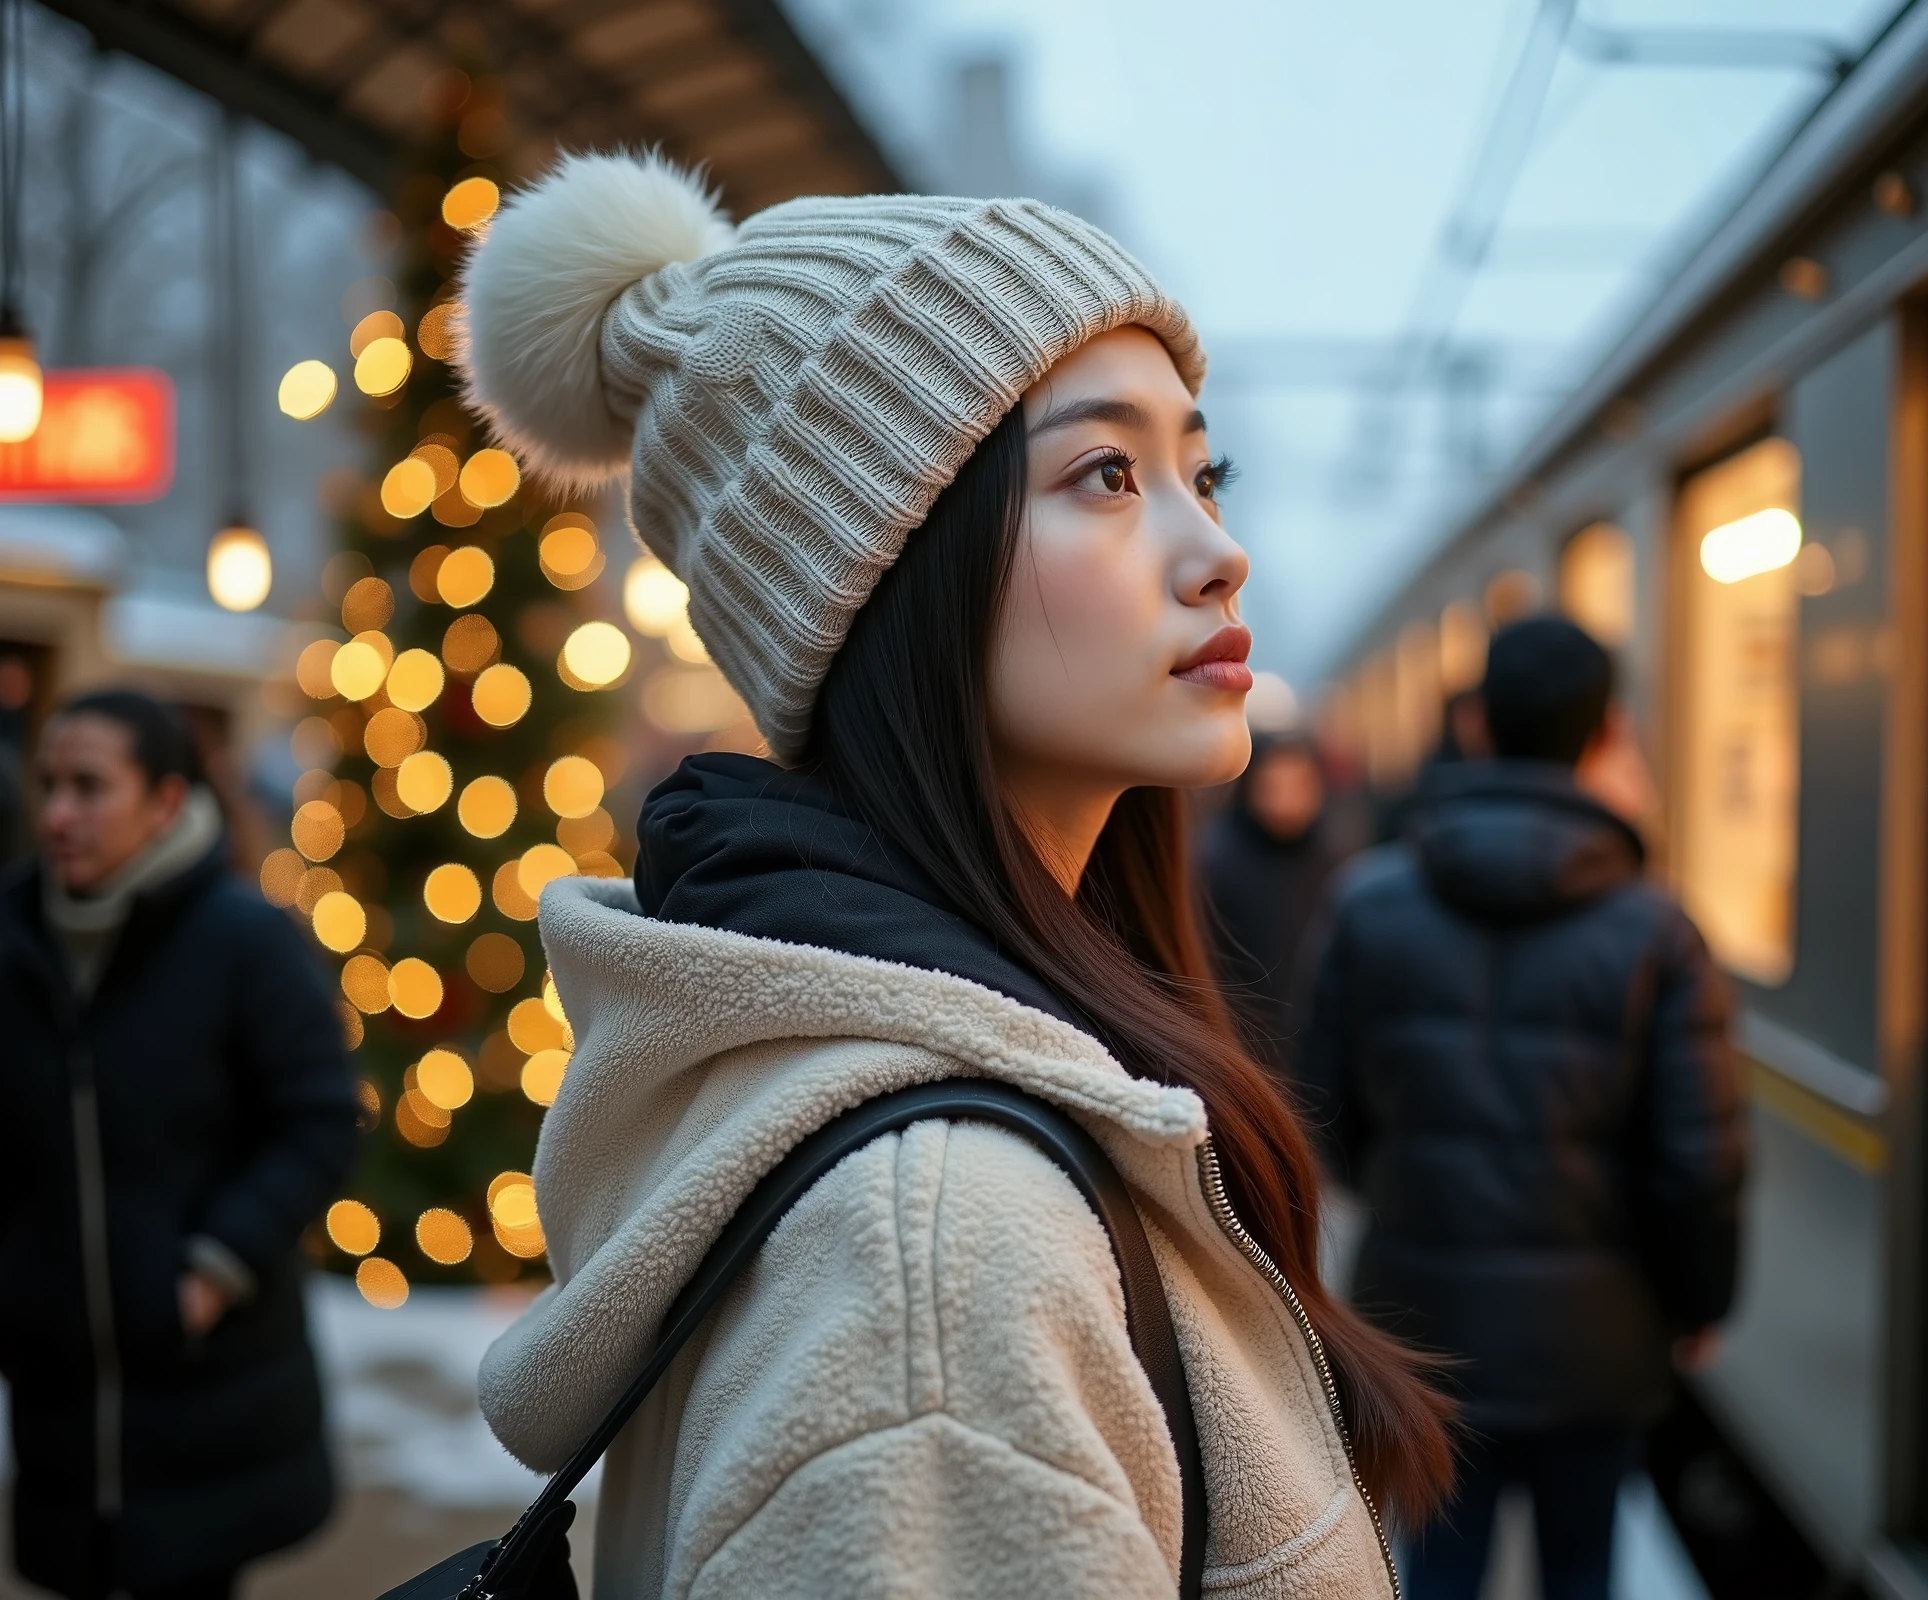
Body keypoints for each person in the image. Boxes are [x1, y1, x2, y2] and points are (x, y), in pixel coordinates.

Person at [457, 151, 1455, 1596]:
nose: (1218, 553)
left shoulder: (958, 1132)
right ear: (878, 570)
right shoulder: (938, 1266)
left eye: (1201, 469)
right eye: (1105, 474)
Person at [1299, 617, 1746, 1600]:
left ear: (1476, 728)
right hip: (1596, 1336)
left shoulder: (1367, 902)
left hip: (1420, 1323)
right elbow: (1696, 1161)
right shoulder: (1657, 931)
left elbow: (1322, 1110)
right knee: (1581, 1570)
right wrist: (1700, 1297)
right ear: (1605, 736)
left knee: (1439, 1572)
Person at [0, 690, 359, 1600]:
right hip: (59, 1405)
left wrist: (214, 1265)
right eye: (49, 784)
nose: (56, 815)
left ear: (165, 800)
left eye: (89, 787)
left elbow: (319, 1116)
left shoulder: (245, 940)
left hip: (210, 1389)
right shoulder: (11, 939)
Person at [1199, 731, 1343, 1077]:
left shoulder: (1336, 864)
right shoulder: (1214, 863)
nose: (1287, 800)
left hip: (1319, 1055)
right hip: (1238, 1052)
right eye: (1272, 786)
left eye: (1299, 785)